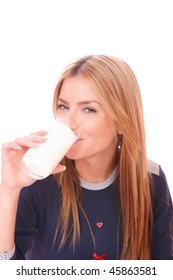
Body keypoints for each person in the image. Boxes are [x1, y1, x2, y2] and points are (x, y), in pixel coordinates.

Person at [0, 55, 172, 260]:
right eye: (63, 106)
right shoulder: (37, 177)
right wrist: (9, 190)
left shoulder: (150, 179)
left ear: (121, 120)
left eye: (88, 109)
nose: (68, 122)